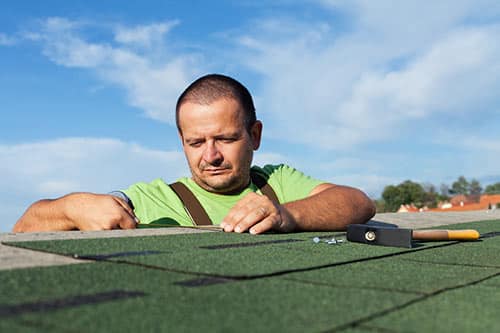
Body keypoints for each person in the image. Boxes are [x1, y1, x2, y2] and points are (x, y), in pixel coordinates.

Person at [13, 74, 375, 234]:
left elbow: (358, 203)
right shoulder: (154, 199)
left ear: (255, 135)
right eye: (196, 143)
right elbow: (25, 226)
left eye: (225, 139)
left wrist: (286, 214)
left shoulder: (276, 181)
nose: (211, 156)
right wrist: (71, 206)